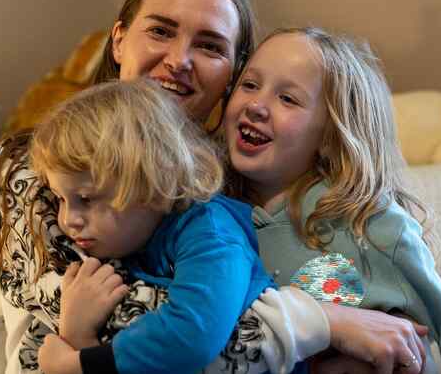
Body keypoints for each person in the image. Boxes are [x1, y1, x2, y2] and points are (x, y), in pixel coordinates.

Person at [0, 0, 428, 374]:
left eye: (210, 46)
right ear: (118, 40)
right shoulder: (35, 161)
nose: (179, 60)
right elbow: (143, 327)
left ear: (232, 74)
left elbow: (200, 320)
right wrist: (325, 325)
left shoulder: (222, 186)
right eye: (160, 31)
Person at [223, 26, 441, 374]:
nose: (257, 105)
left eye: (288, 98)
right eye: (249, 84)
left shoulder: (368, 223)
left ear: (330, 136)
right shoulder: (208, 218)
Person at [30, 78, 284, 373]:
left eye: (86, 199)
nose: (67, 220)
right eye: (60, 198)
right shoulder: (129, 237)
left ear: (153, 181)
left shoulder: (211, 233)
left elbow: (193, 334)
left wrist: (78, 363)